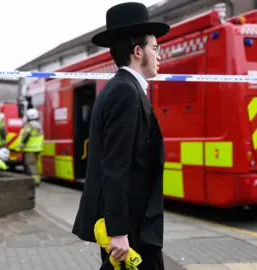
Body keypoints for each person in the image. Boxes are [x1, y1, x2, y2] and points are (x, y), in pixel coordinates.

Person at [71, 2, 169, 269]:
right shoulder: (125, 92)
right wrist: (118, 232)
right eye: (155, 48)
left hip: (134, 225)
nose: (160, 55)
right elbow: (114, 167)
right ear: (138, 51)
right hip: (131, 229)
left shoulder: (124, 89)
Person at [17, 108, 44, 186]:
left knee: (31, 164)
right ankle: (35, 179)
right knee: (35, 164)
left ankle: (35, 181)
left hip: (30, 148)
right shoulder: (39, 125)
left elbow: (27, 135)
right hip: (38, 148)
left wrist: (22, 144)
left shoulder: (29, 125)